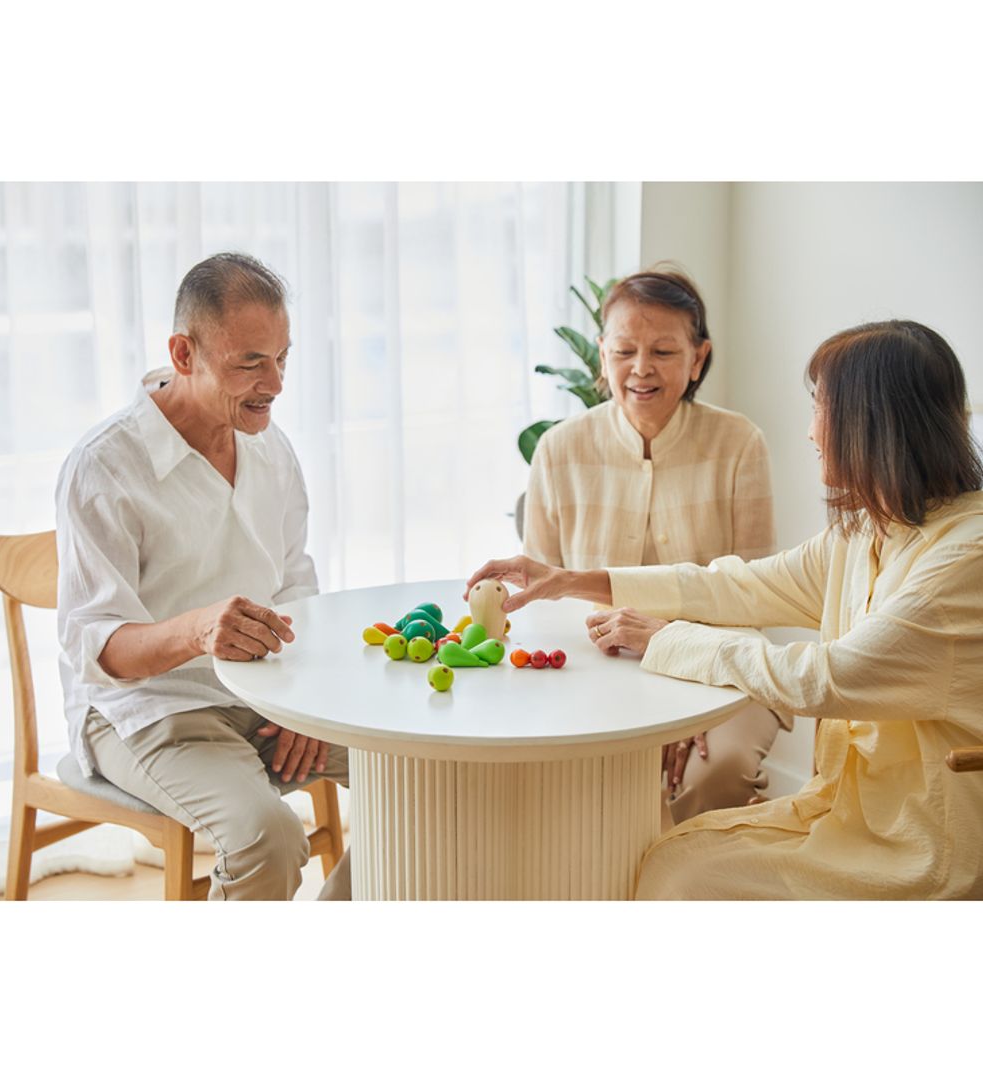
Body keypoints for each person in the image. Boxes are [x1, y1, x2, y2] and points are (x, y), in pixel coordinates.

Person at [470, 318, 983, 899]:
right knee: (665, 856)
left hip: (922, 848)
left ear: (872, 421)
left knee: (675, 872)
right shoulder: (869, 529)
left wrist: (664, 638)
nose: (810, 431)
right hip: (849, 814)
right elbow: (734, 585)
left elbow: (828, 677)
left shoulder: (964, 558)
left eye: (821, 407)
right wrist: (570, 580)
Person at [56, 252, 350, 900]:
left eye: (283, 358)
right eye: (251, 362)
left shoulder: (272, 447)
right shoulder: (104, 466)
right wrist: (196, 631)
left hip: (265, 698)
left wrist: (305, 702)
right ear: (183, 354)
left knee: (429, 766)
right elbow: (95, 647)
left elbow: (296, 585)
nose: (275, 383)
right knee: (267, 837)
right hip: (146, 711)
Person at [523, 267, 787, 826]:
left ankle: (683, 873)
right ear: (602, 355)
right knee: (564, 784)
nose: (641, 368)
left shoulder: (739, 444)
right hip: (590, 670)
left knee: (719, 770)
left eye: (663, 351)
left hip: (719, 664)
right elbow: (545, 601)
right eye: (624, 351)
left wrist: (687, 708)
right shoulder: (558, 449)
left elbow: (755, 596)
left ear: (697, 358)